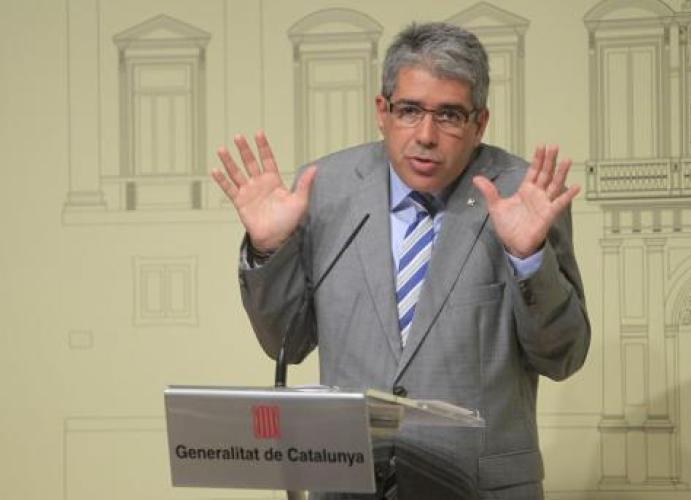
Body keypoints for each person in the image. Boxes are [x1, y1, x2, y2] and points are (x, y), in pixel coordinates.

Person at [212, 22, 590, 500]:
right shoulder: (326, 188)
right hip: (350, 486)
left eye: (449, 115)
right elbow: (286, 341)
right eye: (410, 110)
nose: (426, 135)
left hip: (478, 488)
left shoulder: (523, 194)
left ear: (479, 123)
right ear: (382, 111)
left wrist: (527, 257)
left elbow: (562, 356)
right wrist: (268, 250)